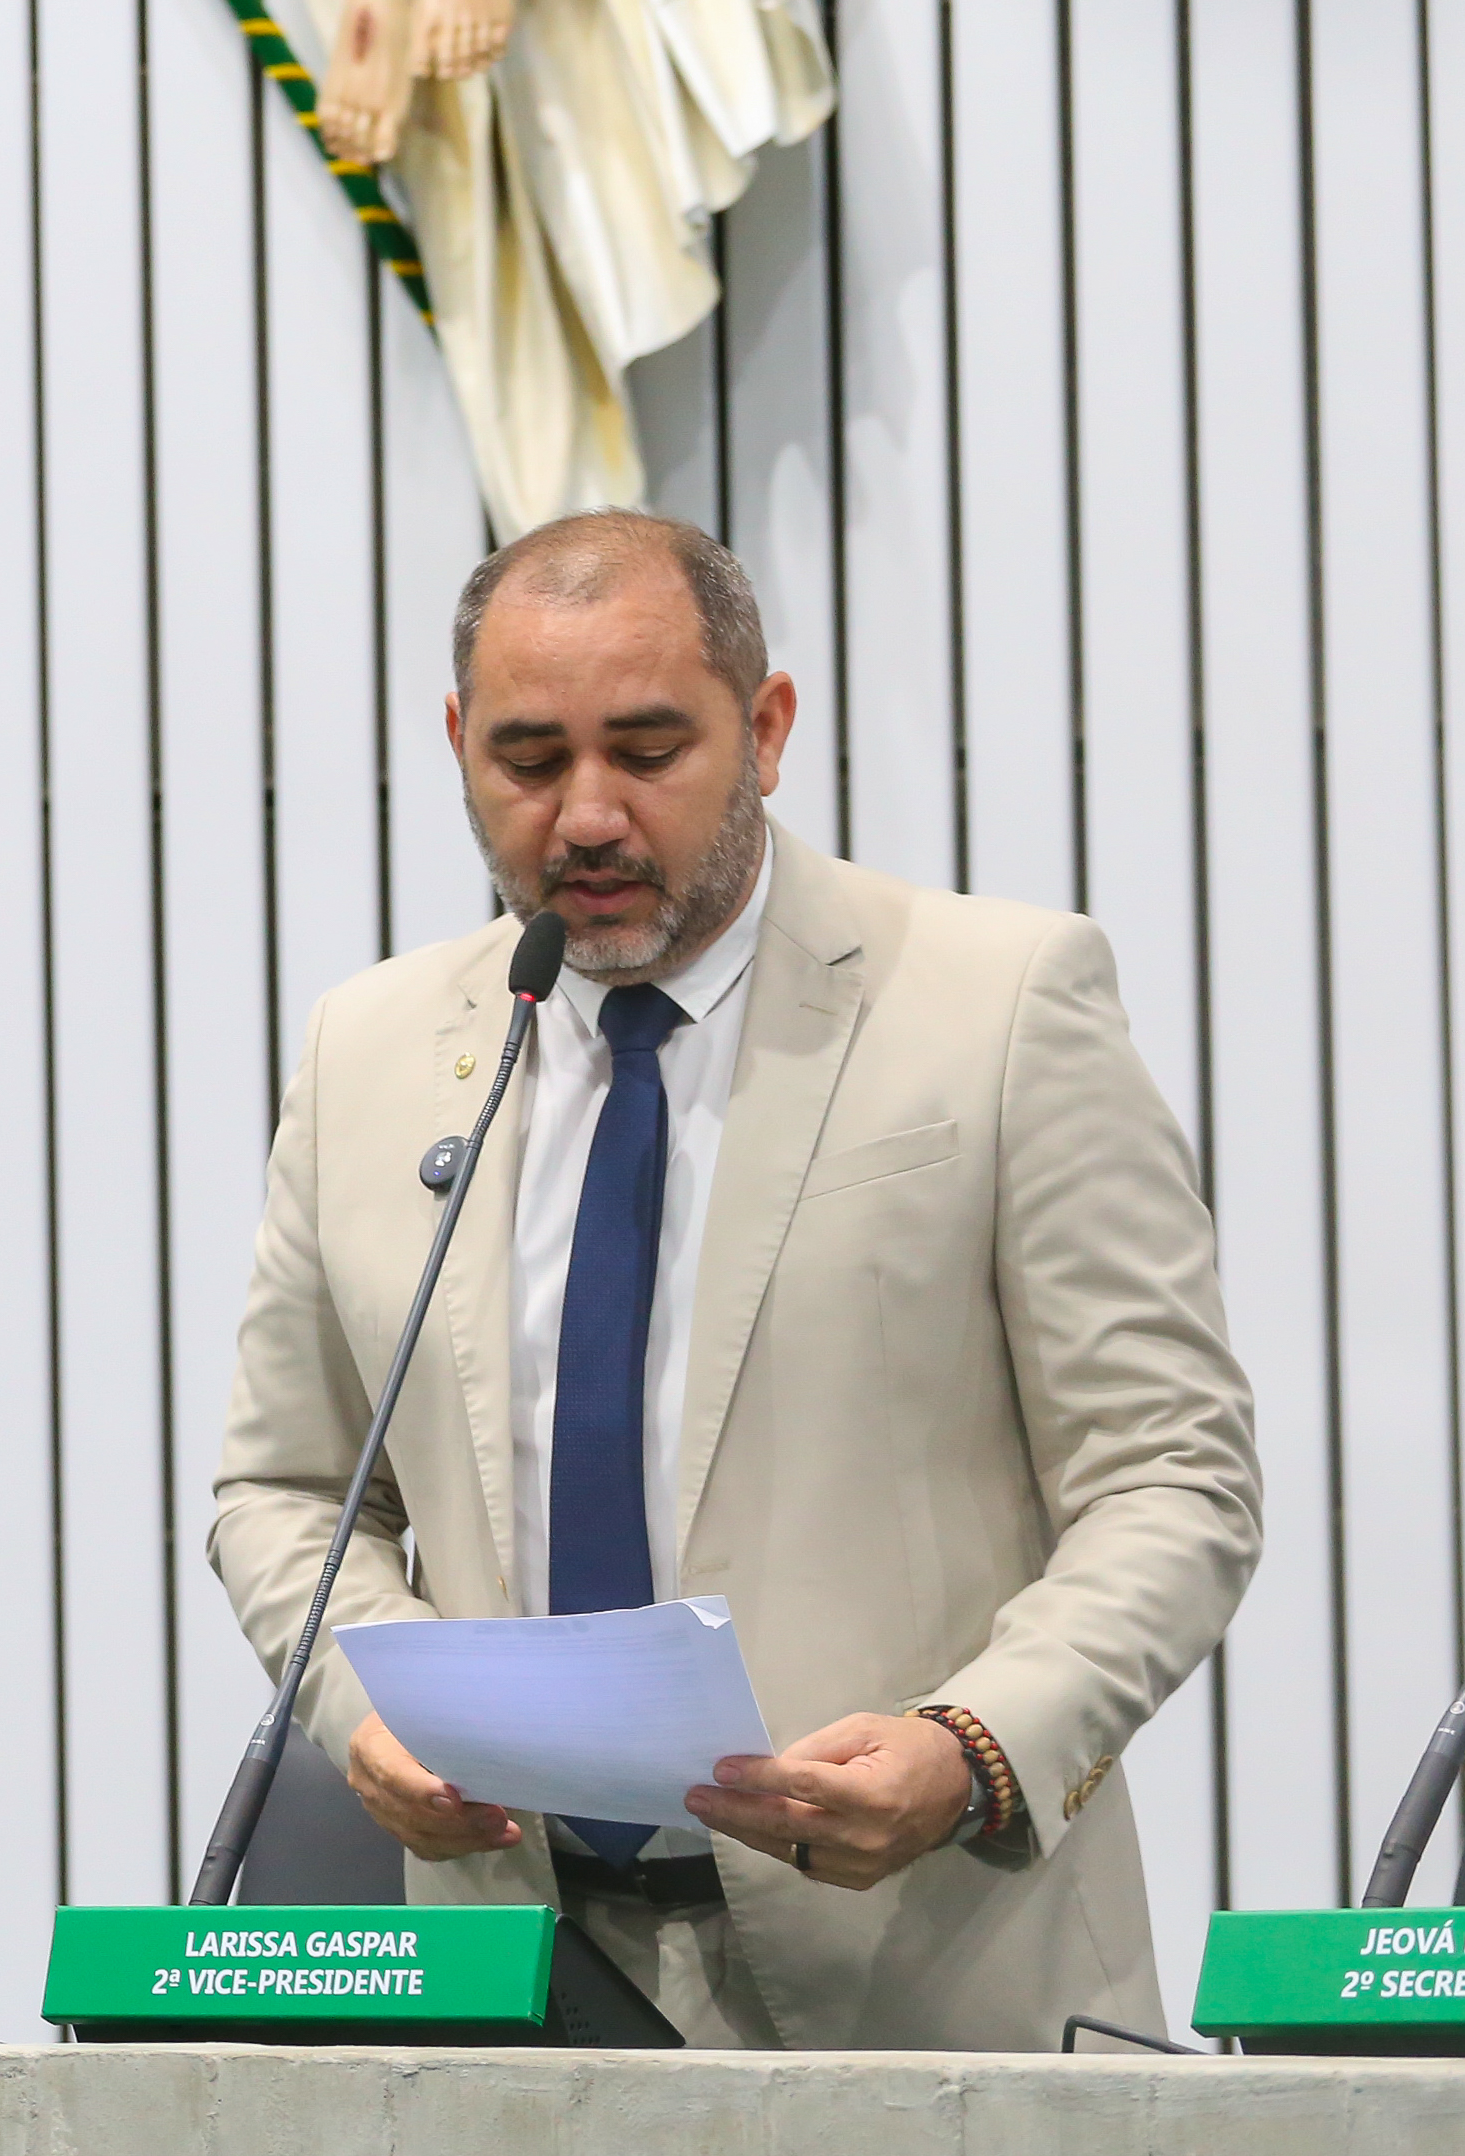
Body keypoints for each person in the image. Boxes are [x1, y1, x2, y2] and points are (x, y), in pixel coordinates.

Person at [207, 509, 1261, 2049]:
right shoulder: (366, 1051)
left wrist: (972, 1745)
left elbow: (1171, 1475)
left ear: (763, 730)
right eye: (525, 760)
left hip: (925, 1971)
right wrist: (369, 1709)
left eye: (647, 750)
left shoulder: (1000, 1004)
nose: (585, 815)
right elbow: (286, 1491)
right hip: (505, 1980)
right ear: (454, 746)